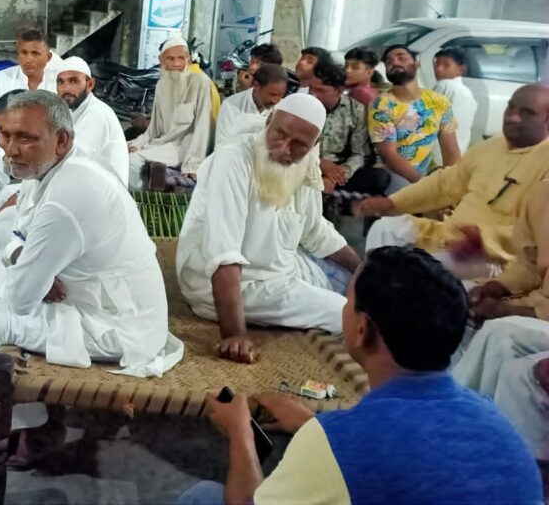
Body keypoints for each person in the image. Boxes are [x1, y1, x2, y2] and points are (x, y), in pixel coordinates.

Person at [178, 246, 542, 505]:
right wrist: (310, 425)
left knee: (204, 497)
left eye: (348, 300)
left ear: (361, 329)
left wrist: (240, 431)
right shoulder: (499, 423)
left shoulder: (339, 441)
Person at [0, 91, 182, 461]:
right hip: (91, 297)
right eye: (6, 136)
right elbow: (18, 235)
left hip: (117, 325)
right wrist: (27, 264)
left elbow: (20, 299)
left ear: (61, 139)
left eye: (26, 138)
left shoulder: (68, 194)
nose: (10, 149)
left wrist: (32, 273)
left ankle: (9, 433)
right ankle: (26, 411)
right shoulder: (56, 165)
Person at [177, 94, 361, 361]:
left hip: (286, 269)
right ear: (269, 121)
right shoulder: (233, 159)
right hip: (239, 285)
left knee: (366, 294)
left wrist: (361, 269)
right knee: (349, 316)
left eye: (299, 145)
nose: (284, 149)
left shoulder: (305, 163)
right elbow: (223, 255)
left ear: (314, 145)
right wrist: (234, 335)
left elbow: (315, 230)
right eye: (279, 135)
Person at [357, 84, 549, 274]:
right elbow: (444, 184)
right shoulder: (491, 146)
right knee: (385, 229)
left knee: (417, 269)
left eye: (528, 113)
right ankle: (370, 288)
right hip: (451, 235)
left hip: (495, 258)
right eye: (511, 107)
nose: (513, 117)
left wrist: (484, 239)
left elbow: (537, 234)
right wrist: (393, 202)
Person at [454, 182, 549, 464]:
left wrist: (510, 311)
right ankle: (473, 439)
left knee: (501, 335)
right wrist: (497, 287)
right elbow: (529, 264)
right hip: (537, 306)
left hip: (540, 313)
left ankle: (459, 434)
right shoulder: (542, 193)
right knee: (457, 300)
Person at [0, 28, 63, 216]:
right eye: (23, 53)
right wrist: (5, 153)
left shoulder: (57, 83)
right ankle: (0, 222)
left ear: (48, 57)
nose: (28, 59)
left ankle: (35, 224)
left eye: (35, 53)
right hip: (4, 150)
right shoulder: (1, 80)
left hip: (44, 152)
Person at [368, 44, 459, 192]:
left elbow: (451, 151)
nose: (394, 63)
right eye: (389, 62)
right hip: (391, 173)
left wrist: (451, 183)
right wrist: (423, 185)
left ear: (417, 64)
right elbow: (389, 155)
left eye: (401, 58)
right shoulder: (381, 104)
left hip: (426, 174)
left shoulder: (440, 101)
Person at [128, 37, 213, 189]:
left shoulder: (201, 82)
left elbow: (203, 127)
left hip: (184, 149)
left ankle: (136, 200)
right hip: (162, 144)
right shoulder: (162, 83)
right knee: (118, 150)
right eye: (171, 59)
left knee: (131, 162)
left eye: (181, 58)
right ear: (161, 60)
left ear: (188, 59)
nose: (176, 64)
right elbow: (154, 129)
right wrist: (138, 143)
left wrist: (193, 164)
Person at [310, 62, 389, 197]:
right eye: (311, 88)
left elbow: (359, 154)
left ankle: (328, 188)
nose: (313, 94)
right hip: (306, 163)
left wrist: (336, 176)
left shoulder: (356, 111)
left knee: (380, 178)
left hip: (337, 169)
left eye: (320, 90)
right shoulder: (302, 104)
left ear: (338, 91)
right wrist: (318, 161)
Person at [56, 56, 128, 182]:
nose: (65, 88)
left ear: (90, 84)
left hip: (101, 190)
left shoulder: (97, 114)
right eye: (60, 82)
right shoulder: (74, 111)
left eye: (73, 81)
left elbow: (71, 162)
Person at [214, 64, 287, 148]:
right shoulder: (231, 105)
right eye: (272, 94)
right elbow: (221, 145)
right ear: (257, 85)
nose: (276, 101)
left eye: (281, 95)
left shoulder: (284, 109)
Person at [433, 46, 478, 155]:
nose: (439, 69)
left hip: (439, 151)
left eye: (446, 65)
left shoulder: (444, 85)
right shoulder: (466, 92)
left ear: (461, 70)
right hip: (459, 150)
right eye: (437, 64)